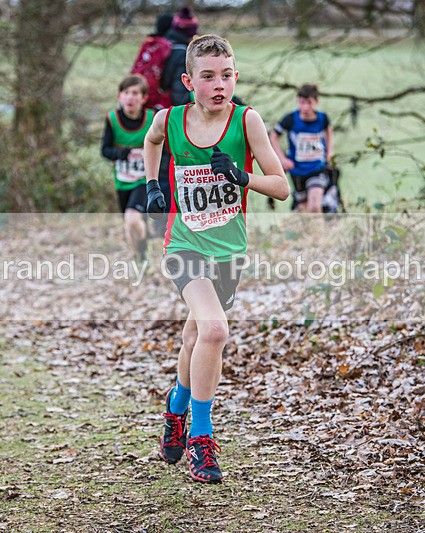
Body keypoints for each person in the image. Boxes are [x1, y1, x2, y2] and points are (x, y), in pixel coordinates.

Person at [143, 35, 289, 483]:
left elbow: (281, 187)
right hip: (183, 246)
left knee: (195, 339)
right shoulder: (169, 119)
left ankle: (175, 410)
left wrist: (242, 177)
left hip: (228, 253)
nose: (219, 84)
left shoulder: (247, 121)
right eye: (208, 76)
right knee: (214, 330)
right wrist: (152, 186)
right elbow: (151, 141)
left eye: (226, 75)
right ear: (189, 82)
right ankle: (200, 439)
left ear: (236, 77)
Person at [150, 5, 201, 239]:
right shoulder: (181, 54)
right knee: (171, 171)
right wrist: (184, 120)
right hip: (170, 120)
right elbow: (180, 94)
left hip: (156, 115)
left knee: (161, 171)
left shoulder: (164, 46)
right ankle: (167, 226)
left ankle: (161, 224)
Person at [101, 74, 155, 262]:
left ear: (144, 98)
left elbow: (165, 147)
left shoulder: (152, 118)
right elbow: (105, 150)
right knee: (130, 224)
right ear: (119, 96)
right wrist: (119, 153)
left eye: (135, 93)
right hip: (123, 180)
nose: (130, 97)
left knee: (132, 218)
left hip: (145, 180)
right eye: (126, 93)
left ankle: (143, 254)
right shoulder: (112, 119)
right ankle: (140, 255)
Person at [269, 84, 334, 213]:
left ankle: (319, 227)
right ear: (297, 101)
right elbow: (273, 136)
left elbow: (329, 130)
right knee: (303, 210)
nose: (305, 107)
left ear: (316, 101)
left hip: (317, 168)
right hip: (297, 170)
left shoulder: (323, 119)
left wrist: (329, 151)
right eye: (302, 102)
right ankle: (314, 227)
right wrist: (282, 159)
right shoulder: (290, 119)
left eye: (309, 103)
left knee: (314, 206)